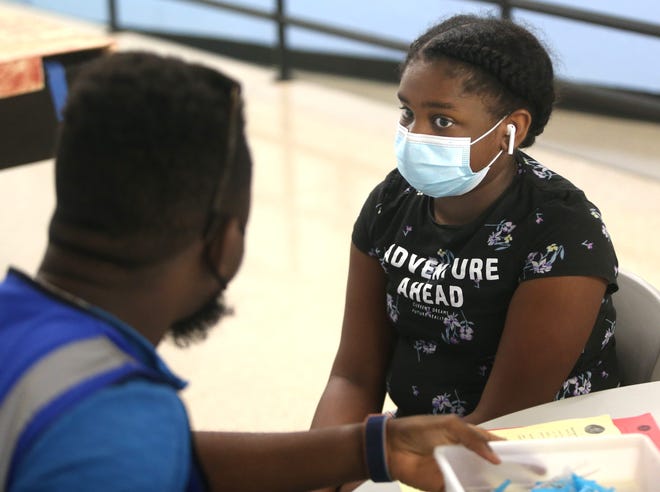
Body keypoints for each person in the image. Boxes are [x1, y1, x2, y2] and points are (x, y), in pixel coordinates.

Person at [0, 51, 502, 492]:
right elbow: (127, 446)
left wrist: (372, 448)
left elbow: (172, 455)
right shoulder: (119, 420)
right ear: (225, 244)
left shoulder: (31, 344)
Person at [311, 14, 620, 489]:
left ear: (510, 130)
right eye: (406, 113)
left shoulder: (560, 232)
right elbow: (354, 376)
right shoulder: (393, 202)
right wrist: (321, 475)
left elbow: (502, 424)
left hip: (532, 458)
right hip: (416, 444)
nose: (415, 135)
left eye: (442, 119)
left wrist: (386, 461)